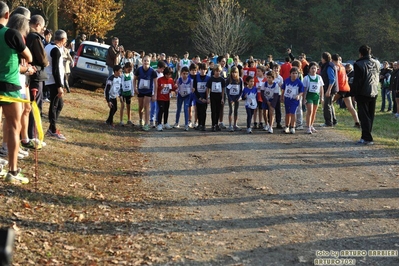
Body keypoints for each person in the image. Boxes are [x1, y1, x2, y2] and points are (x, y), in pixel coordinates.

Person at [0, 1, 32, 183]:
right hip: (9, 85)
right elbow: (29, 56)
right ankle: (12, 171)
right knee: (13, 126)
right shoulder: (11, 34)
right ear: (7, 15)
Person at [26, 14, 48, 140]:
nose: (42, 30)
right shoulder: (35, 38)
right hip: (36, 75)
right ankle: (32, 136)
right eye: (42, 27)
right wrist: (46, 62)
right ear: (38, 25)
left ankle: (29, 134)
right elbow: (43, 59)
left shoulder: (25, 35)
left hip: (30, 74)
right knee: (35, 107)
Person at [352, 45, 379, 145]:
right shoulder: (376, 63)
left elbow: (357, 81)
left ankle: (367, 138)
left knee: (364, 116)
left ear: (361, 53)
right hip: (374, 91)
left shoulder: (359, 64)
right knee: (370, 115)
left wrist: (354, 93)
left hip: (363, 92)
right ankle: (366, 135)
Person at [44, 29, 68, 140]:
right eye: (65, 40)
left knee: (59, 105)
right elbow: (55, 69)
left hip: (51, 79)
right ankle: (52, 130)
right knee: (54, 105)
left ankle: (51, 127)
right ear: (62, 39)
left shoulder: (48, 46)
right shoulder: (55, 50)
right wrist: (59, 86)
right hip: (53, 81)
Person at [331, 54, 360, 128]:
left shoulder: (336, 67)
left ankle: (333, 120)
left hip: (340, 89)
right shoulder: (343, 67)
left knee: (329, 103)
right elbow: (346, 77)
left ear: (333, 60)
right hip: (346, 88)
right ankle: (357, 122)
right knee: (350, 107)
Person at [133, 55, 157, 131]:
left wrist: (154, 94)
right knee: (140, 107)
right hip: (140, 90)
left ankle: (147, 123)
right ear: (142, 61)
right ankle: (141, 120)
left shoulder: (152, 71)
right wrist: (135, 88)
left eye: (147, 61)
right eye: (145, 60)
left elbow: (156, 83)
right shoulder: (139, 70)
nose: (146, 62)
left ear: (150, 62)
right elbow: (134, 79)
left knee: (146, 106)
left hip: (148, 91)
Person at [281, 67, 304, 134]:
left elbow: (301, 91)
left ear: (298, 74)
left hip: (294, 100)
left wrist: (298, 96)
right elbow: (283, 89)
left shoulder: (299, 83)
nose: (294, 75)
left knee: (293, 113)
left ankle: (293, 126)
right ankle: (287, 126)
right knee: (287, 113)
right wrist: (282, 96)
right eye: (293, 73)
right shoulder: (286, 80)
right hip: (287, 99)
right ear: (290, 74)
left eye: (296, 73)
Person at [303, 62, 324, 134]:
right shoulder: (306, 78)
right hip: (309, 96)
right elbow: (304, 89)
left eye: (315, 68)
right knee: (310, 111)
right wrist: (304, 98)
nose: (313, 70)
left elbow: (321, 88)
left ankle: (311, 125)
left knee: (314, 112)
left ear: (317, 69)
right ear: (309, 69)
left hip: (316, 96)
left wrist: (322, 97)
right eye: (312, 68)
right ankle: (308, 127)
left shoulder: (319, 77)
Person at [320, 52, 337, 127]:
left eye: (322, 58)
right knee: (330, 104)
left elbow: (332, 79)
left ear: (324, 58)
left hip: (329, 88)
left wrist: (328, 90)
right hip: (328, 88)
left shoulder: (329, 66)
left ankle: (328, 122)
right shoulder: (328, 65)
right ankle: (333, 120)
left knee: (327, 105)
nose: (321, 59)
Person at [207, 64, 225, 132]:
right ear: (214, 71)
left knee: (218, 111)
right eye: (216, 71)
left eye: (219, 71)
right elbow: (208, 88)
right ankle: (213, 124)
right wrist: (208, 97)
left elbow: (223, 89)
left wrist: (223, 98)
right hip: (213, 96)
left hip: (219, 96)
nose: (218, 72)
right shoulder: (211, 79)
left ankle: (217, 124)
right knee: (213, 111)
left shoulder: (222, 79)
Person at [174, 66, 193, 131]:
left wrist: (192, 90)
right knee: (178, 109)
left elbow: (192, 89)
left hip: (187, 96)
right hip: (180, 96)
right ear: (181, 73)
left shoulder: (190, 80)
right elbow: (176, 88)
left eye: (186, 74)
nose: (185, 75)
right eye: (184, 73)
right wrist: (176, 90)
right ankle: (176, 123)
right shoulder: (179, 80)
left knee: (185, 109)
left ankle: (186, 124)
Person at [226, 66, 243, 132]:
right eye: (232, 72)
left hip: (237, 98)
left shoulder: (240, 80)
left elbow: (241, 89)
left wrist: (239, 97)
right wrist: (230, 99)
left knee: (236, 111)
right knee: (231, 111)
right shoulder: (229, 80)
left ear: (237, 73)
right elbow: (227, 90)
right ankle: (230, 125)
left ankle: (235, 125)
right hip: (231, 98)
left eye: (235, 72)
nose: (234, 74)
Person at [193, 63, 210, 131]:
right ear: (199, 70)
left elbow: (209, 89)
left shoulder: (208, 78)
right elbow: (194, 89)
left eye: (204, 69)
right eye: (201, 69)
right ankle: (199, 124)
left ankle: (203, 125)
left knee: (204, 111)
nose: (203, 71)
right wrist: (200, 98)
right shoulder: (196, 77)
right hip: (198, 97)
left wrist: (207, 98)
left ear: (206, 70)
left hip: (205, 98)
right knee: (198, 111)